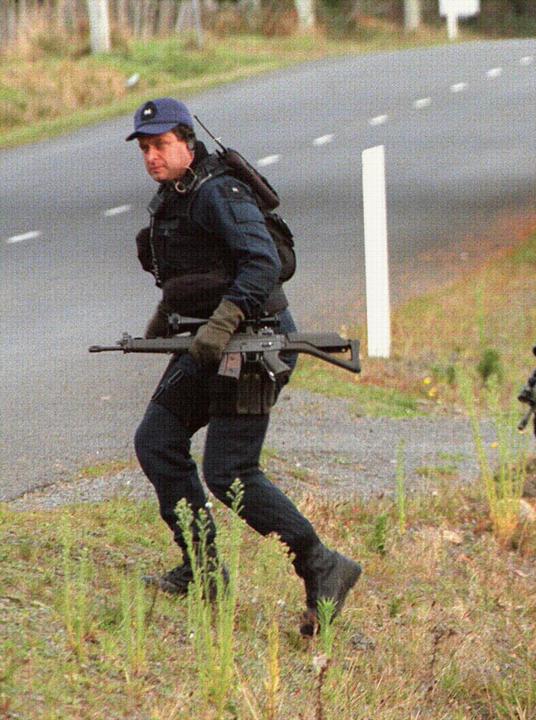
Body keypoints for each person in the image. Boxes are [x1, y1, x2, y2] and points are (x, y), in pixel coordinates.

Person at [127, 98, 361, 636]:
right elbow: (186, 273)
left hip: (253, 346)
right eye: (145, 149)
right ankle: (203, 569)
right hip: (210, 345)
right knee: (157, 440)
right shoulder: (174, 197)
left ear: (187, 141)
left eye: (160, 146)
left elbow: (263, 264)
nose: (152, 158)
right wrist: (163, 323)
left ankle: (322, 565)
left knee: (230, 471)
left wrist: (223, 320)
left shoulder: (218, 193)